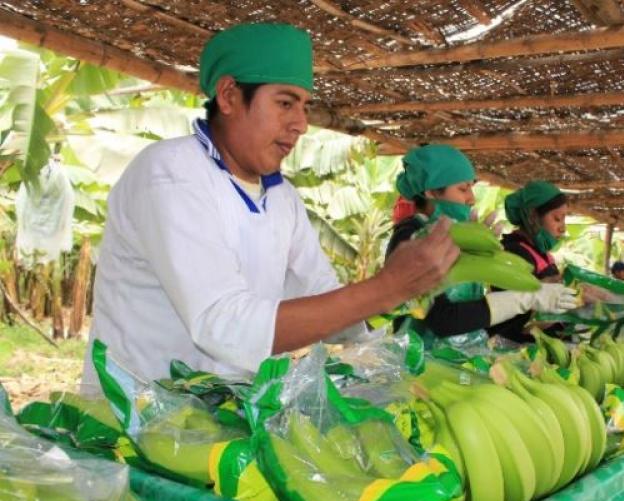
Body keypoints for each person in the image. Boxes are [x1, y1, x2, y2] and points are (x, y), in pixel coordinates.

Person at [82, 23, 460, 383]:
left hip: (225, 417)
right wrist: (386, 288)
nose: (300, 123)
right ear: (229, 95)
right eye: (285, 103)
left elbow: (323, 296)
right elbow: (223, 325)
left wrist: (396, 312)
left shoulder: (282, 197)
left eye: (304, 107)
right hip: (138, 421)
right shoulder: (171, 174)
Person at [385, 144, 577, 345]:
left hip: (460, 363)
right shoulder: (410, 238)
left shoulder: (458, 237)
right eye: (463, 189)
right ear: (432, 192)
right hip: (420, 368)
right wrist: (522, 299)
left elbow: (479, 325)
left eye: (471, 188)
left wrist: (535, 297)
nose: (471, 199)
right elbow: (443, 321)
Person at [488, 180, 571, 343]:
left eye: (564, 219)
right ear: (533, 216)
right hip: (518, 351)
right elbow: (513, 317)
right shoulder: (513, 253)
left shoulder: (543, 254)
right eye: (557, 219)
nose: (563, 228)